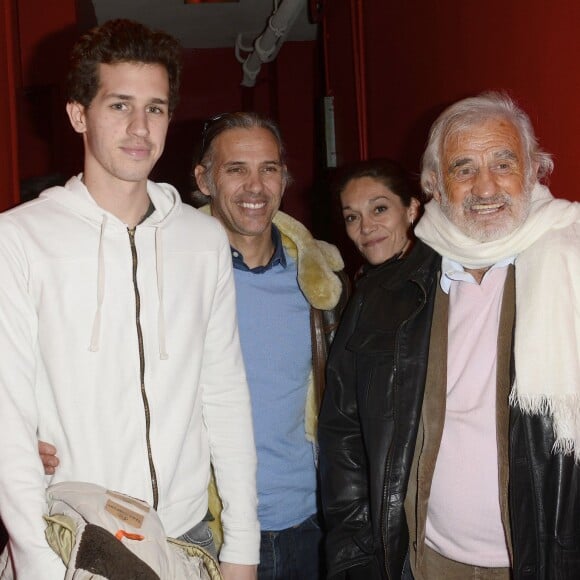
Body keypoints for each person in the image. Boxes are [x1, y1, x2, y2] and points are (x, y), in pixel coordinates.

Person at [0, 20, 259, 580]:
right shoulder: (19, 239)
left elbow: (226, 395)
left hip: (189, 535)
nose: (140, 128)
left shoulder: (203, 239)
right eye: (119, 105)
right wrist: (37, 565)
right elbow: (8, 418)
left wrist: (242, 546)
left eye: (156, 108)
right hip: (77, 539)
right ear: (78, 114)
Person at [320, 91, 580, 580]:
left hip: (546, 564)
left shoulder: (573, 267)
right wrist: (357, 560)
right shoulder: (384, 294)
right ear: (435, 185)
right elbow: (345, 437)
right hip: (424, 561)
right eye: (464, 168)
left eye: (504, 164)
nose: (486, 187)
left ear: (532, 171)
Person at [193, 112, 349, 579]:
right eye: (236, 169)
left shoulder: (321, 283)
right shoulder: (173, 278)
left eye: (269, 168)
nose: (255, 186)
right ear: (203, 179)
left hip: (307, 524)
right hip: (204, 527)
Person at [318, 159, 430, 580]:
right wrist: (352, 543)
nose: (365, 227)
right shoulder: (365, 293)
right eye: (352, 216)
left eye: (379, 209)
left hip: (435, 528)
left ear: (412, 209)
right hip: (383, 535)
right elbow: (342, 428)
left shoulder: (446, 280)